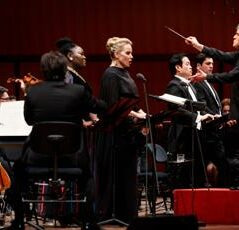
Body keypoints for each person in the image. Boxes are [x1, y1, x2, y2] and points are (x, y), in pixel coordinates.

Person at [7, 51, 105, 230]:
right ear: (64, 69)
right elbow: (99, 106)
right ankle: (90, 221)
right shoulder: (78, 91)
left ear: (43, 70)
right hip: (72, 157)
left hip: (37, 157)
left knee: (17, 172)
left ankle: (18, 220)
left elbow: (29, 121)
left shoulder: (33, 91)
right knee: (87, 175)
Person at [185, 22, 239, 189]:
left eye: (236, 34)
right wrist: (199, 46)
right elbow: (222, 55)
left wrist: (206, 78)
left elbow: (231, 76)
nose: (233, 36)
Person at [94, 37, 147, 225]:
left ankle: (127, 213)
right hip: (114, 134)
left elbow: (132, 102)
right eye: (127, 53)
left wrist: (143, 114)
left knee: (128, 174)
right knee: (117, 174)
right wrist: (135, 114)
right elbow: (111, 106)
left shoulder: (125, 74)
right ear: (116, 54)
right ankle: (112, 212)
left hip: (127, 133)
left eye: (131, 52)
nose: (131, 56)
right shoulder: (110, 75)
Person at [165, 53, 215, 188]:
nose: (191, 67)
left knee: (197, 173)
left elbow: (198, 107)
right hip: (183, 138)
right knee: (184, 176)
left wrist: (211, 116)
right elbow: (176, 111)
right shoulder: (173, 85)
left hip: (195, 134)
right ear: (178, 68)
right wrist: (199, 117)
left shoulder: (190, 85)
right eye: (187, 64)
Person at [193, 52, 227, 187]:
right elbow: (202, 106)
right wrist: (216, 117)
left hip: (216, 131)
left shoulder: (208, 83)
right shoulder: (197, 83)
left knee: (222, 166)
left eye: (212, 63)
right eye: (208, 63)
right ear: (198, 66)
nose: (211, 66)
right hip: (208, 133)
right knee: (218, 166)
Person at [56, 37, 99, 127]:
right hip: (74, 127)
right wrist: (82, 122)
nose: (84, 57)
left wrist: (94, 119)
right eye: (81, 54)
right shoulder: (67, 75)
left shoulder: (72, 74)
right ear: (70, 56)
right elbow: (68, 102)